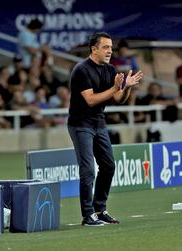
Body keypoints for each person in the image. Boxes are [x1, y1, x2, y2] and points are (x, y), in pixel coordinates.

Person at [68, 32, 143, 226]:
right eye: (105, 47)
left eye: (111, 47)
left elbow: (118, 99)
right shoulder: (81, 69)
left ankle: (100, 209)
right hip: (80, 124)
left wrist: (126, 87)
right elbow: (91, 100)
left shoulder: (110, 69)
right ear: (94, 49)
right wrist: (114, 88)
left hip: (98, 123)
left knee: (109, 166)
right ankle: (88, 215)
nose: (110, 51)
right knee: (87, 170)